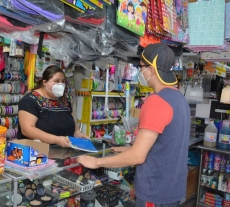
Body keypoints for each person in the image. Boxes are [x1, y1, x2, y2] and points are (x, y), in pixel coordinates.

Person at [78, 43, 190, 207]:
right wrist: (132, 148)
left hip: (155, 191)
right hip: (173, 190)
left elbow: (137, 157)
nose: (140, 71)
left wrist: (96, 163)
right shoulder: (179, 98)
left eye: (141, 66)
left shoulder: (156, 101)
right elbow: (166, 145)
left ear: (151, 70)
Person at [18, 65, 88, 148]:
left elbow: (71, 123)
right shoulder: (30, 100)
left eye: (63, 81)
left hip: (63, 152)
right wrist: (56, 139)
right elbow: (27, 130)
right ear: (44, 82)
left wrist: (78, 134)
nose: (60, 84)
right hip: (37, 154)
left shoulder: (64, 101)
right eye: (56, 81)